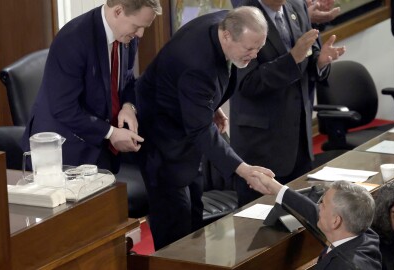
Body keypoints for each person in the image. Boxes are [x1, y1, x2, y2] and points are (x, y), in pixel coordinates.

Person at [135, 6, 275, 250]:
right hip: (162, 135)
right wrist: (244, 170)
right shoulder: (197, 64)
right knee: (176, 223)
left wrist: (210, 105)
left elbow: (205, 91)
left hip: (184, 119)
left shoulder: (227, 21)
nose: (254, 55)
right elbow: (200, 128)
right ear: (228, 36)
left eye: (259, 48)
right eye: (249, 49)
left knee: (195, 215)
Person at [22, 0, 162, 172]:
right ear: (118, 11)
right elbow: (64, 108)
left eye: (144, 27)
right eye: (137, 26)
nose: (140, 34)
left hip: (100, 144)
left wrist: (128, 107)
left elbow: (127, 80)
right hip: (63, 151)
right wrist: (111, 133)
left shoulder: (128, 35)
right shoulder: (73, 39)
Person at [230, 0, 345, 206]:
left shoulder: (297, 5)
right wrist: (292, 59)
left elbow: (311, 53)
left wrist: (320, 62)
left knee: (303, 220)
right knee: (260, 228)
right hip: (262, 147)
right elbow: (247, 84)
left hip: (299, 140)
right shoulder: (242, 15)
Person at [251, 172, 382, 269]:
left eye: (323, 204)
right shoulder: (365, 235)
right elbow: (313, 212)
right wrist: (275, 187)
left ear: (336, 221)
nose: (318, 207)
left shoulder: (343, 266)